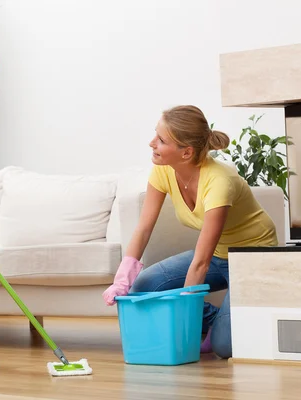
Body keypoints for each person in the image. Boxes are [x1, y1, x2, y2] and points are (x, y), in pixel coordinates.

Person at [102, 105, 278, 358]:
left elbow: (201, 262)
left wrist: (186, 321)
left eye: (161, 140)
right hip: (219, 255)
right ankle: (224, 321)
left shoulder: (218, 181)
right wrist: (123, 279)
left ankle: (229, 327)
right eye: (156, 135)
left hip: (253, 256)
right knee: (142, 287)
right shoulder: (163, 170)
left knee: (224, 347)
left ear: (186, 152)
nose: (152, 143)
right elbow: (143, 228)